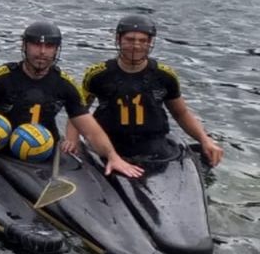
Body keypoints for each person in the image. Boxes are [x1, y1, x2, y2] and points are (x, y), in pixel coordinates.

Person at [0, 20, 142, 178]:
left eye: (49, 46)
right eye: (36, 44)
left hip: (40, 147)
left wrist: (112, 156)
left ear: (56, 50)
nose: (42, 51)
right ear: (24, 46)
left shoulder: (65, 85)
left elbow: (91, 131)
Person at [72, 15, 223, 167]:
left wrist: (204, 139)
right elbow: (78, 111)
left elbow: (181, 113)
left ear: (150, 43)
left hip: (153, 146)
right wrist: (72, 141)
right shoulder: (97, 74)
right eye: (130, 40)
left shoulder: (164, 75)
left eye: (142, 41)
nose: (136, 46)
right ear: (119, 40)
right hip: (108, 144)